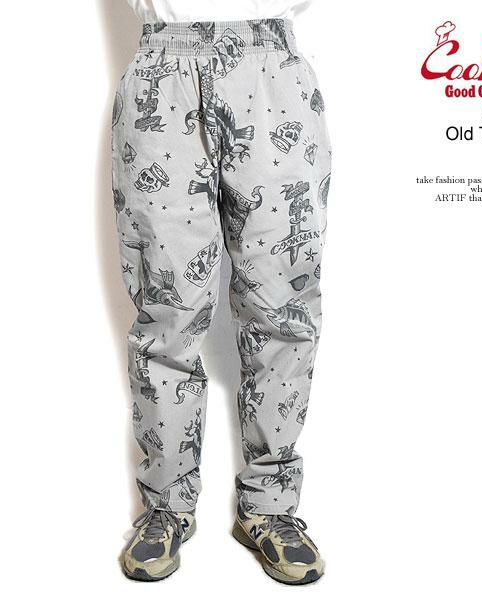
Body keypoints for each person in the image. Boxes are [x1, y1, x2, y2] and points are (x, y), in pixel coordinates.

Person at [111, 0, 332, 585]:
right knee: (167, 314)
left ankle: (271, 508)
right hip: (162, 71)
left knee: (283, 309)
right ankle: (166, 507)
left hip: (271, 69)